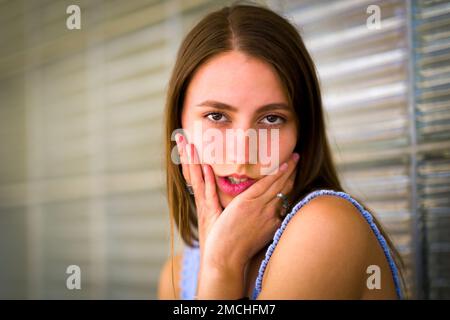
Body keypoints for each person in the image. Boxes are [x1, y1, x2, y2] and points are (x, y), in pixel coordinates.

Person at [158, 1, 406, 300]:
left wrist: (221, 268)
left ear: (301, 130)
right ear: (180, 124)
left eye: (271, 119)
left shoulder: (325, 230)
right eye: (217, 116)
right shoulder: (176, 276)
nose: (242, 155)